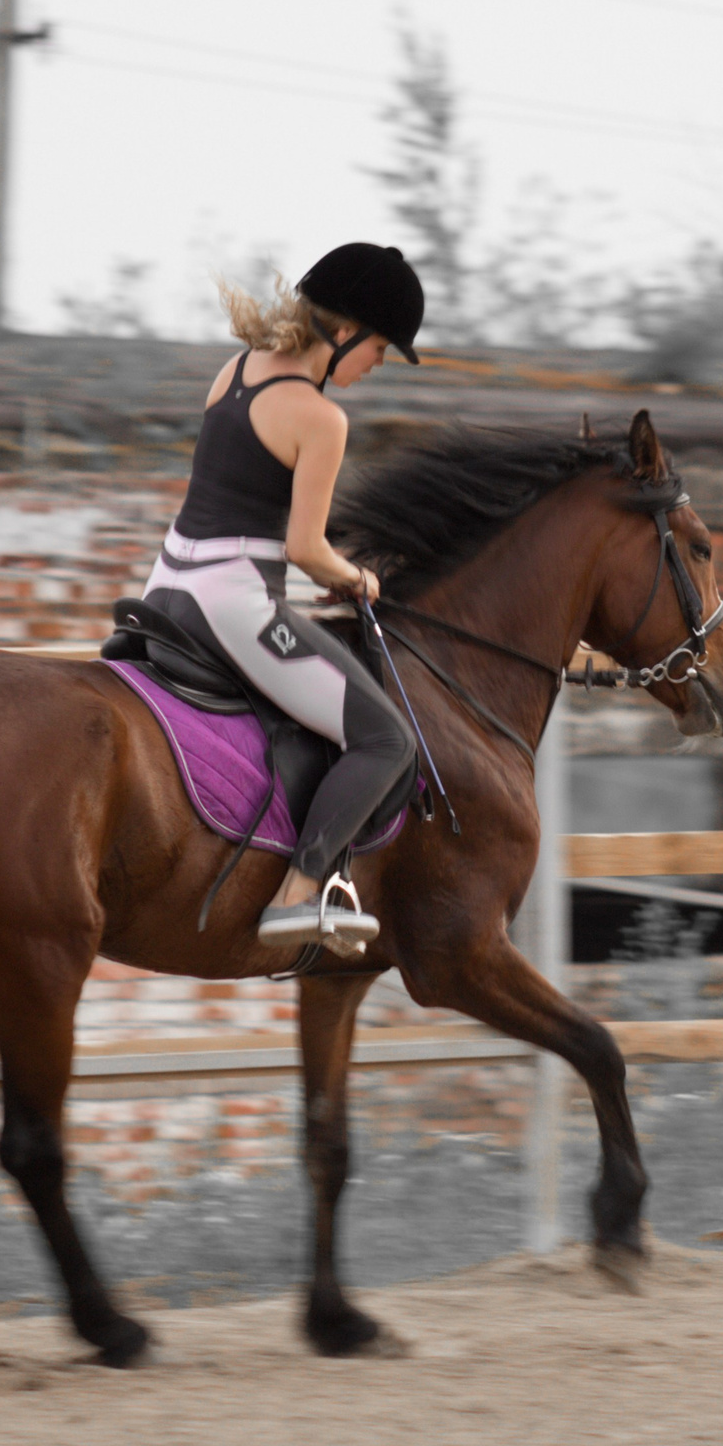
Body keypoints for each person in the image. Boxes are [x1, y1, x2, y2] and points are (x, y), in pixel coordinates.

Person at [142, 244, 423, 947]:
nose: (378, 364)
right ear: (346, 331)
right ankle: (299, 895)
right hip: (233, 604)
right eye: (380, 347)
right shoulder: (321, 419)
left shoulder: (234, 370)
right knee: (386, 738)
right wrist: (356, 578)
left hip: (165, 586)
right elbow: (304, 548)